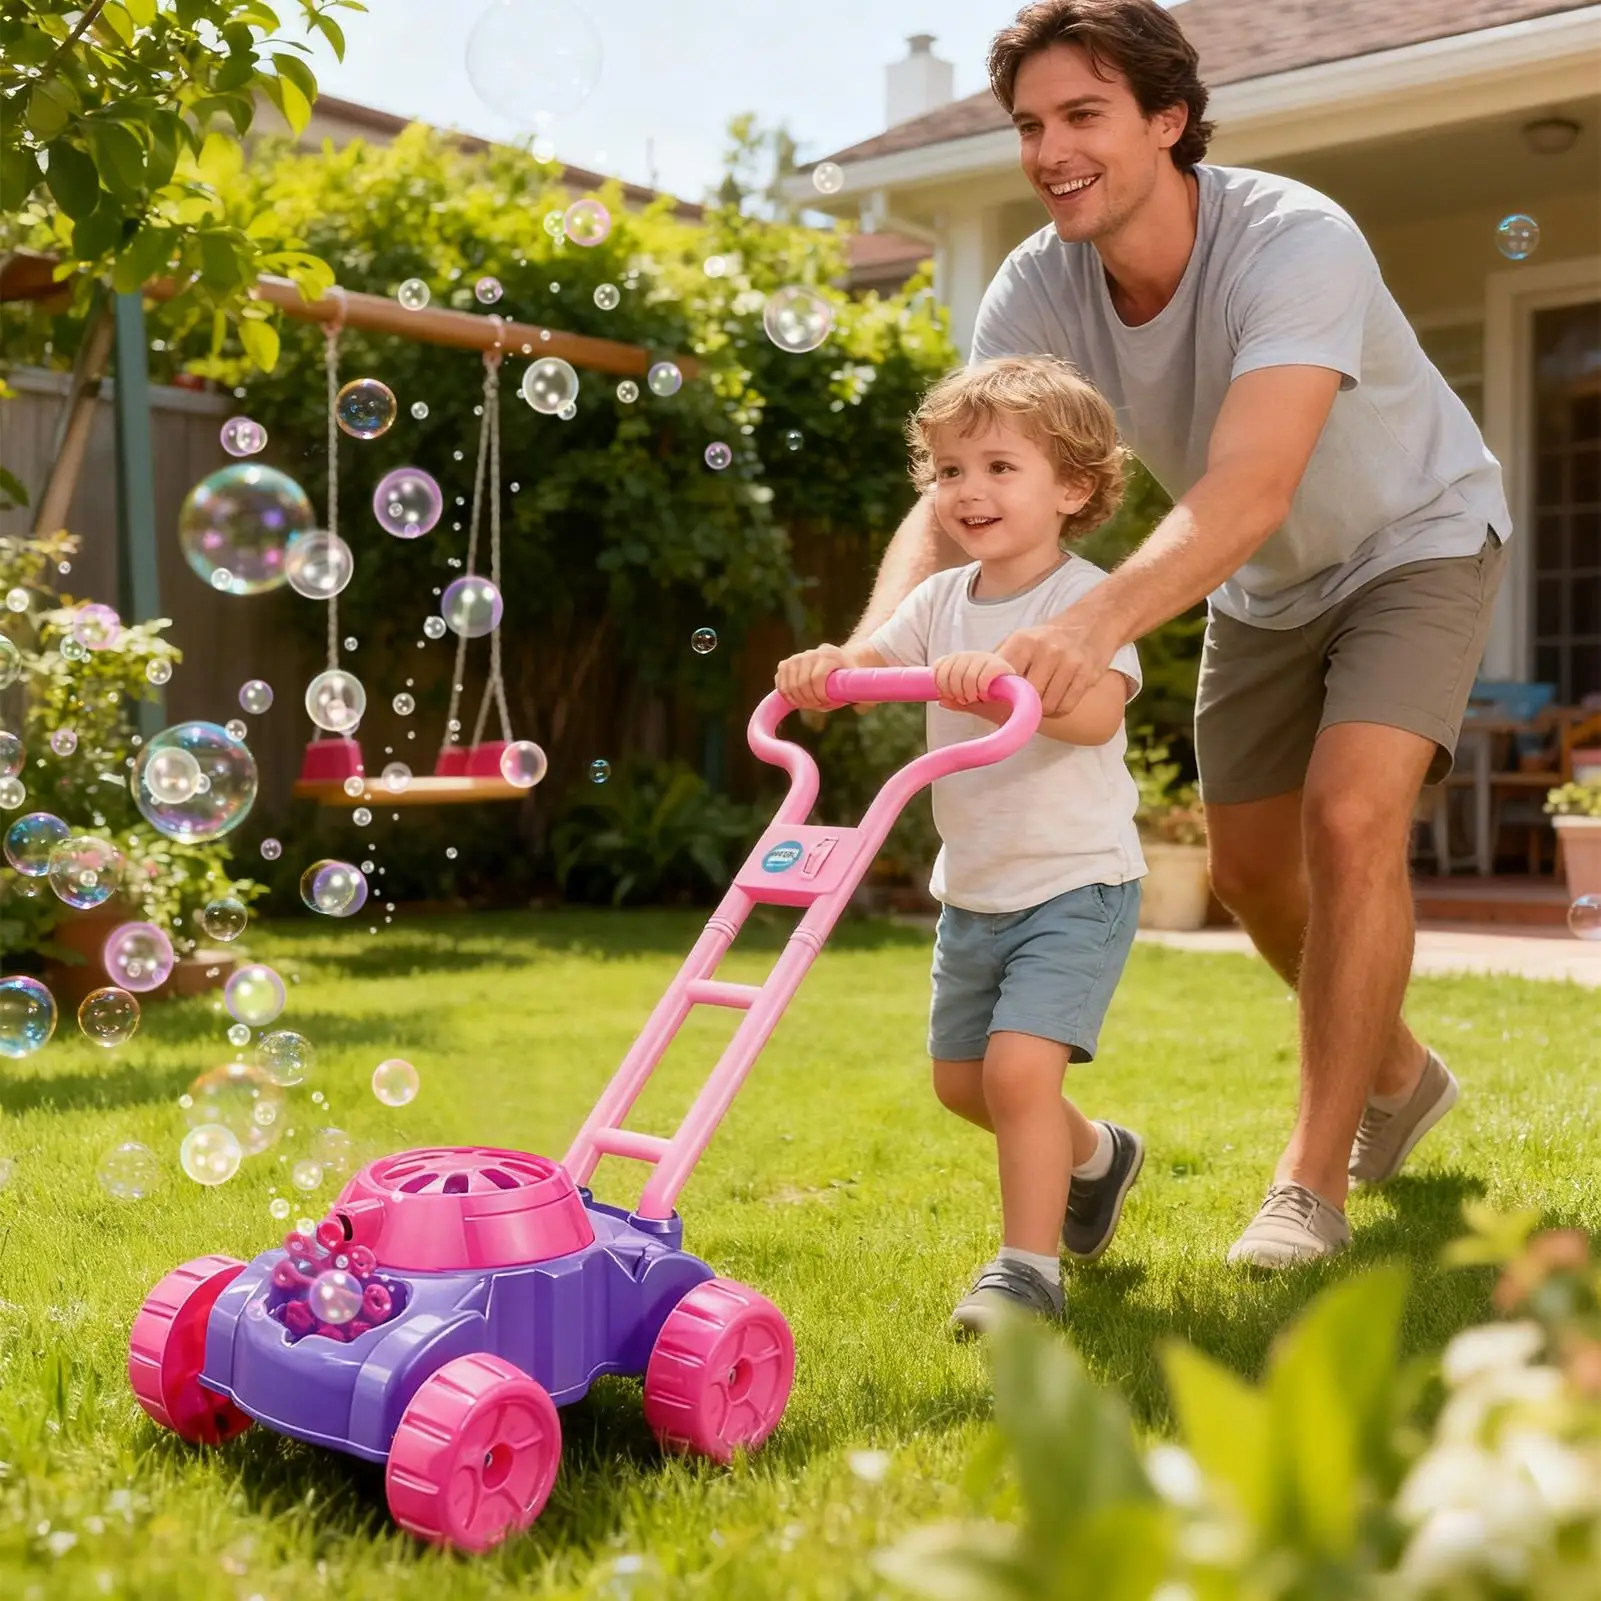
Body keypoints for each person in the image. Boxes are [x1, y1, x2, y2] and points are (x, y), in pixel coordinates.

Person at [821, 0, 1512, 1269]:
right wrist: (873, 641)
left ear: (1169, 120)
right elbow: (958, 488)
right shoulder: (1037, 283)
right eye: (1029, 124)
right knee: (1251, 877)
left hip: (1410, 537)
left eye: (1082, 115)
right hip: (1259, 589)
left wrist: (1088, 619)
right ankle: (1401, 1071)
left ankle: (1309, 1181)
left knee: (1352, 820)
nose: (1047, 150)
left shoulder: (1291, 240)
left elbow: (1249, 484)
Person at [777, 355, 1148, 1333]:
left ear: (1071, 487)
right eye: (949, 471)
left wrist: (1002, 685)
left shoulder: (1084, 599)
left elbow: (1098, 712)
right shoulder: (941, 601)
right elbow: (871, 660)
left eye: (996, 466)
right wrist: (830, 665)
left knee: (1018, 1074)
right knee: (962, 1085)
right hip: (974, 887)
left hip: (1074, 883)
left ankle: (1025, 1271)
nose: (967, 490)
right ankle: (1096, 1157)